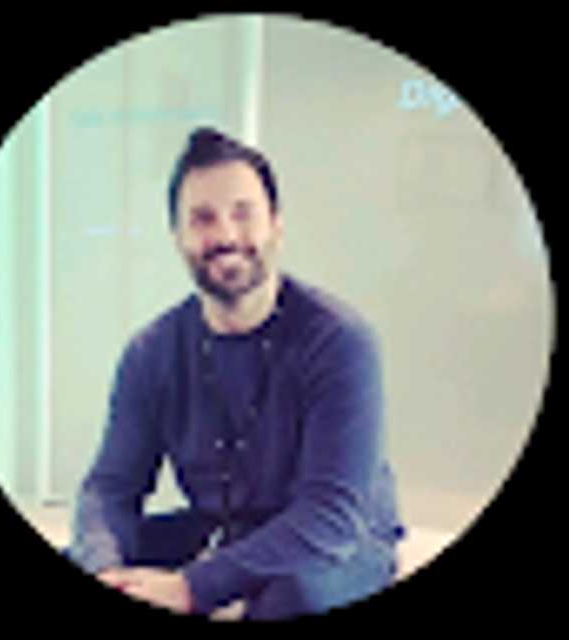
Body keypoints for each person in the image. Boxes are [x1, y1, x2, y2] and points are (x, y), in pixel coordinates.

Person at [67, 127, 406, 620]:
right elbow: (110, 488)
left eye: (243, 213)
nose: (225, 236)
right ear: (178, 238)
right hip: (221, 526)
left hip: (337, 542)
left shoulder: (340, 340)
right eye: (202, 219)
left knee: (291, 598)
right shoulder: (150, 352)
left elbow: (330, 515)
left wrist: (193, 587)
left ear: (276, 226)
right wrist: (106, 569)